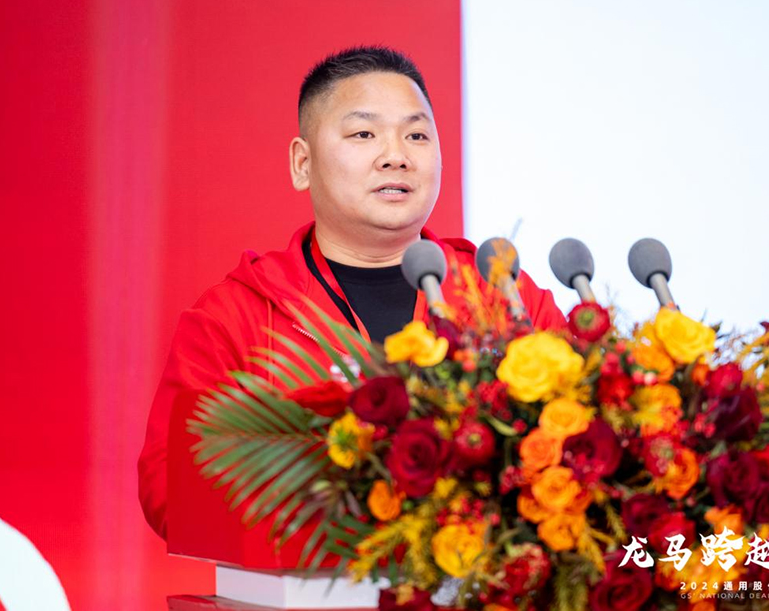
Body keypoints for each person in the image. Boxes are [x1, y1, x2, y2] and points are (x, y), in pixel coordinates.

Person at [137, 46, 567, 540]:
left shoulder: (502, 295)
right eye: (364, 134)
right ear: (303, 163)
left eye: (417, 135)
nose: (396, 156)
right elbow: (168, 487)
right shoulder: (234, 317)